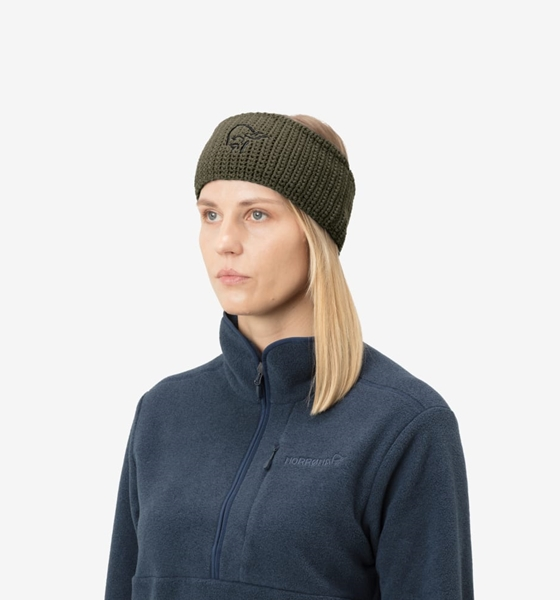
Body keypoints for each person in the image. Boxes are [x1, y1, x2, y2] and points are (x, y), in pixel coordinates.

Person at [104, 112, 474, 600]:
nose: (225, 242)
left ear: (314, 234)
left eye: (256, 215)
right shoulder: (163, 412)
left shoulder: (403, 425)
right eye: (210, 214)